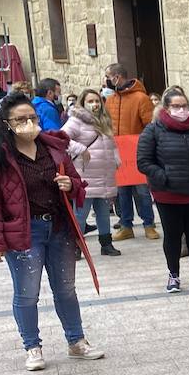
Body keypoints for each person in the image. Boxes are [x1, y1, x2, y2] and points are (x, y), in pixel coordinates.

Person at [0, 92, 106, 370]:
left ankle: (76, 341)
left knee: (66, 289)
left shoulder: (53, 147)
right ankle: (32, 346)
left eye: (32, 118)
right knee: (27, 293)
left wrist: (70, 184)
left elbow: (78, 184)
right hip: (24, 231)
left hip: (58, 227)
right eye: (20, 119)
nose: (28, 123)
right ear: (6, 123)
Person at [137, 87, 189, 293]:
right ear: (166, 108)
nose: (181, 110)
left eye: (184, 106)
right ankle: (173, 274)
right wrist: (164, 177)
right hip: (168, 194)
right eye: (176, 106)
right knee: (172, 236)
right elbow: (144, 161)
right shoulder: (153, 130)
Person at [62, 89, 121, 258]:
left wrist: (116, 158)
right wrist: (80, 149)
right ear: (83, 103)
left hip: (103, 174)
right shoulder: (76, 121)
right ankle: (76, 246)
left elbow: (112, 143)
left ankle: (106, 243)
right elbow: (62, 138)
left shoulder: (104, 120)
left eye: (97, 101)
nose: (95, 104)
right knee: (80, 214)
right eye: (91, 101)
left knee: (103, 213)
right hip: (85, 175)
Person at [105, 63, 157, 241]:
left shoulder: (141, 98)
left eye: (108, 77)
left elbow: (150, 126)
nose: (107, 81)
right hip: (117, 151)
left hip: (137, 151)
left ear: (117, 77)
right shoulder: (110, 99)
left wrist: (144, 147)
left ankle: (149, 224)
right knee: (122, 191)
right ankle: (126, 225)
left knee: (142, 190)